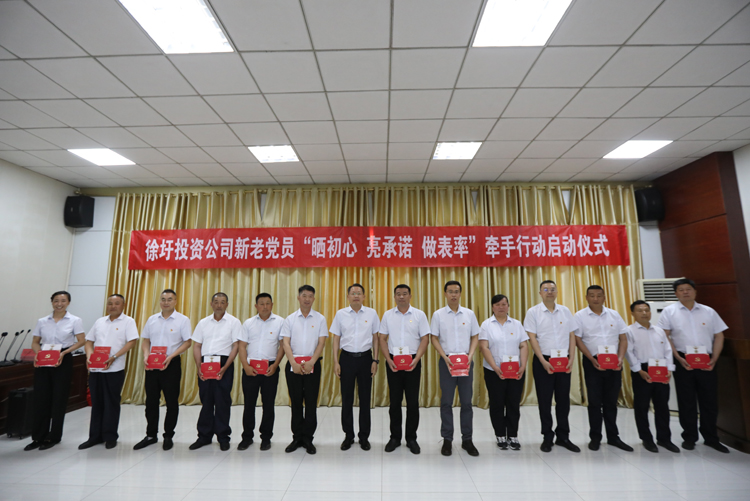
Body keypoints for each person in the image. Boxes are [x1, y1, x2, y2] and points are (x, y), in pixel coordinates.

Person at [657, 278, 729, 453]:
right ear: (676, 293)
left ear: (695, 292)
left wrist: (714, 359)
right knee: (686, 400)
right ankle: (689, 437)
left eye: (688, 289)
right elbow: (664, 336)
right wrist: (677, 358)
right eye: (681, 290)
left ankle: (711, 438)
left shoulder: (709, 311)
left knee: (709, 400)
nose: (685, 292)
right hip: (683, 359)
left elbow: (719, 335)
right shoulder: (669, 312)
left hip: (707, 360)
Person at [523, 280, 580, 453]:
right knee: (544, 400)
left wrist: (571, 358)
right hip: (544, 360)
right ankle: (547, 437)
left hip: (564, 360)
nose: (549, 292)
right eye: (546, 289)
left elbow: (572, 335)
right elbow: (532, 338)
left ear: (557, 292)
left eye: (552, 289)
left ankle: (563, 436)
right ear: (540, 293)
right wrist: (543, 360)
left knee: (563, 400)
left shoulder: (565, 311)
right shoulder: (533, 312)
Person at [25, 291, 85, 451]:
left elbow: (81, 341)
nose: (59, 304)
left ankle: (54, 436)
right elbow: (35, 342)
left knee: (59, 398)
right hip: (44, 358)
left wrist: (65, 353)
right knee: (41, 398)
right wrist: (38, 354)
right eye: (56, 301)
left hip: (63, 358)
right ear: (52, 302)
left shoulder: (75, 320)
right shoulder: (42, 321)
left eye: (63, 301)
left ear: (68, 302)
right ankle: (38, 437)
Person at [574, 285, 632, 452]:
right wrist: (591, 359)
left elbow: (623, 338)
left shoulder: (614, 314)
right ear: (586, 298)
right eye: (592, 295)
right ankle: (595, 437)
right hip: (593, 363)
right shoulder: (580, 316)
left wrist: (620, 359)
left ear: (604, 297)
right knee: (594, 402)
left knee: (611, 402)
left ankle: (613, 437)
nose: (595, 298)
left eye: (599, 295)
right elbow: (578, 340)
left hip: (614, 363)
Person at [133, 289, 192, 451]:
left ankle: (168, 436)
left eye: (170, 299)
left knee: (171, 401)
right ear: (160, 301)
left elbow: (188, 342)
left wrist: (171, 356)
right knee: (151, 401)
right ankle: (151, 435)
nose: (166, 302)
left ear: (175, 301)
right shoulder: (152, 319)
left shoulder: (182, 320)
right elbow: (146, 340)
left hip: (171, 364)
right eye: (163, 299)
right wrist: (146, 355)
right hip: (152, 364)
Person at [79, 294, 138, 450]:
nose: (113, 306)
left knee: (111, 403)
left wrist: (114, 357)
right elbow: (89, 341)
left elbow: (132, 342)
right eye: (110, 303)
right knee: (96, 402)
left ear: (123, 305)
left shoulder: (128, 321)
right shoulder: (100, 322)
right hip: (96, 368)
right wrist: (89, 356)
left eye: (117, 303)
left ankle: (110, 436)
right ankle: (94, 436)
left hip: (114, 368)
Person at [430, 280, 480, 456]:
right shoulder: (438, 315)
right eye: (450, 291)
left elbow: (475, 336)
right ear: (445, 294)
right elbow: (434, 338)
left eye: (456, 291)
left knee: (466, 402)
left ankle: (467, 440)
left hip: (466, 362)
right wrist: (444, 357)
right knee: (446, 402)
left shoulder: (469, 314)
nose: (453, 294)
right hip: (447, 363)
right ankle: (447, 440)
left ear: (460, 294)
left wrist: (470, 355)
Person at [378, 284, 430, 455]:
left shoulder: (419, 315)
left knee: (412, 402)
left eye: (405, 294)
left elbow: (425, 339)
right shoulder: (387, 315)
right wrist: (388, 359)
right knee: (394, 401)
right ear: (394, 297)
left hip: (413, 361)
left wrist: (416, 359)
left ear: (410, 296)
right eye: (398, 294)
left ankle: (411, 438)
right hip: (393, 361)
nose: (401, 296)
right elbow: (382, 339)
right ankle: (395, 437)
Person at [331, 283, 380, 451]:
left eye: (359, 293)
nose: (356, 296)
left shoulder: (372, 313)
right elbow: (336, 338)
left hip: (366, 359)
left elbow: (376, 338)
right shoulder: (341, 314)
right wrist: (336, 362)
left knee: (365, 399)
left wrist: (375, 360)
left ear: (364, 297)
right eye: (353, 293)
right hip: (346, 359)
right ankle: (348, 436)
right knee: (347, 399)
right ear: (348, 297)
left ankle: (364, 437)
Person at [625, 300, 679, 453]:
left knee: (662, 406)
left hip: (661, 370)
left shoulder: (659, 330)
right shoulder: (629, 331)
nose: (644, 313)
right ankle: (646, 439)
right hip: (642, 370)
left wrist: (669, 369)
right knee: (642, 407)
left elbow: (667, 350)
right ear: (633, 313)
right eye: (640, 310)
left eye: (646, 310)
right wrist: (639, 370)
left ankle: (664, 439)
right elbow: (629, 352)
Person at [189, 292, 241, 451]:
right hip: (205, 363)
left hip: (224, 363)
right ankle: (204, 436)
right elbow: (197, 345)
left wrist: (226, 367)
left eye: (222, 302)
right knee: (206, 400)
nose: (219, 305)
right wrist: (199, 366)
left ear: (227, 304)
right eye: (216, 302)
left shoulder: (234, 322)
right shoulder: (203, 323)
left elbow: (236, 346)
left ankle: (223, 437)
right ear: (211, 304)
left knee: (222, 401)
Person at [282, 285, 328, 455]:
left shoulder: (320, 319)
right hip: (293, 365)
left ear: (314, 299)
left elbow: (321, 343)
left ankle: (308, 438)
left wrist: (312, 362)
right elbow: (285, 343)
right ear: (298, 297)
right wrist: (293, 363)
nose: (307, 299)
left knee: (310, 402)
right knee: (295, 402)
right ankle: (297, 437)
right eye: (304, 295)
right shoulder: (290, 319)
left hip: (312, 365)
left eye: (310, 296)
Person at [479, 294, 529, 451]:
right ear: (492, 307)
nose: (501, 307)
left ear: (508, 306)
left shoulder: (517, 324)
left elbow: (523, 345)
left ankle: (513, 435)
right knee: (497, 403)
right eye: (497, 304)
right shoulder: (486, 325)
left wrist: (523, 366)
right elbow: (484, 347)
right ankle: (500, 434)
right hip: (494, 371)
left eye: (504, 304)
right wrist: (495, 367)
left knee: (513, 403)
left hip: (516, 371)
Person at [237, 293, 285, 451]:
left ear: (272, 305)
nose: (265, 307)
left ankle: (266, 438)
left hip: (270, 367)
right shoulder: (248, 323)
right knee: (249, 404)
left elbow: (283, 346)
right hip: (250, 367)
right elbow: (242, 346)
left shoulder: (280, 322)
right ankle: (247, 437)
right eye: (261, 304)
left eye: (268, 303)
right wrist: (245, 366)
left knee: (268, 404)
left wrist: (275, 365)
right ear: (256, 306)